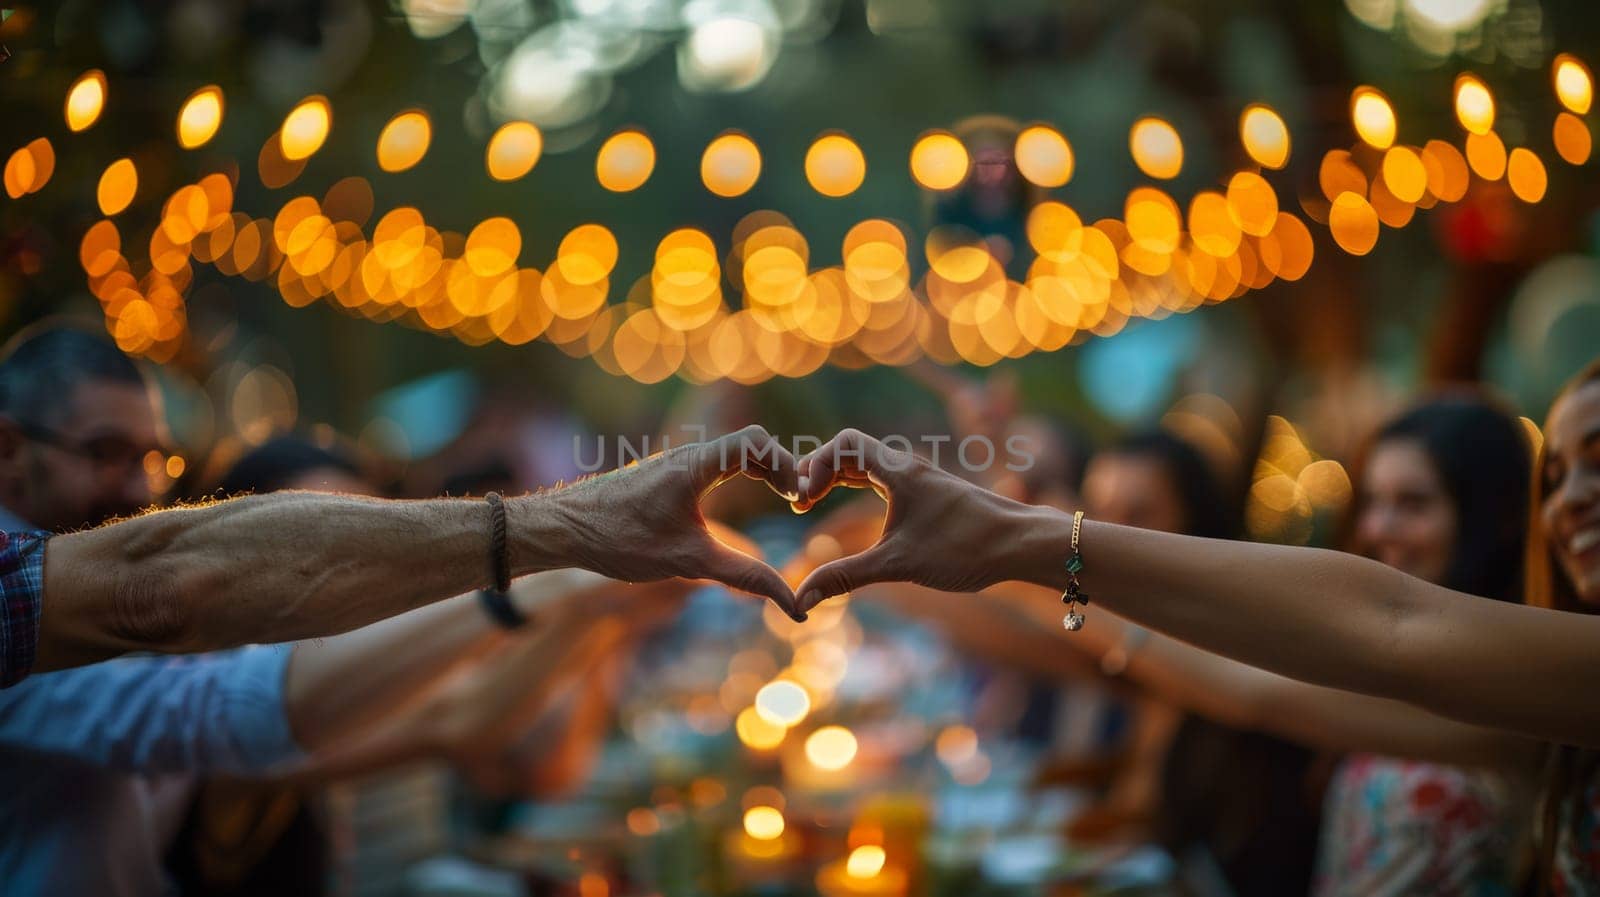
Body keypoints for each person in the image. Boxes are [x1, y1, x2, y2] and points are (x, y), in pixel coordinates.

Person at [787, 360, 1600, 890]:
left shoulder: (1537, 693)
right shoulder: (1511, 710)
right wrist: (1018, 556)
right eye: (1558, 477)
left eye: (1414, 502)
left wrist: (1019, 540)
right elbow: (1256, 683)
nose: (1569, 502)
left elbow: (1390, 622)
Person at [0, 322, 805, 686]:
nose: (141, 489)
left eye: (152, 459)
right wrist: (580, 543)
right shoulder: (60, 661)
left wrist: (593, 566)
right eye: (107, 454)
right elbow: (169, 595)